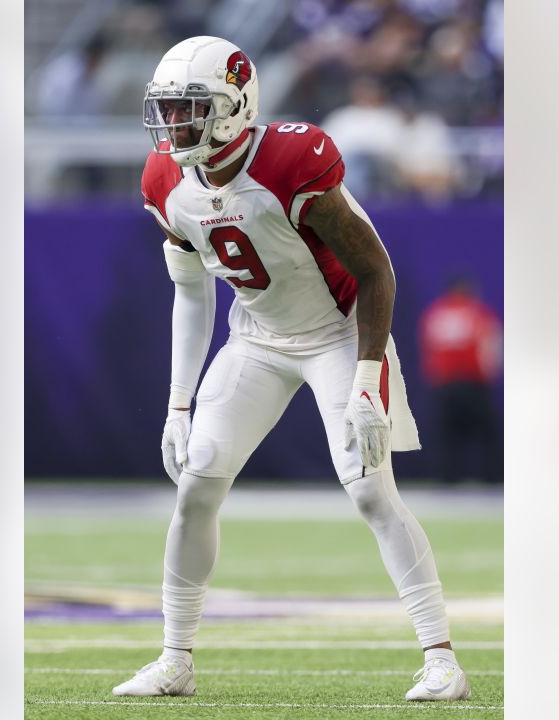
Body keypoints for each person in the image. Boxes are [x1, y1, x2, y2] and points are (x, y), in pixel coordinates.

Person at [109, 36, 470, 702]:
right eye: (167, 110)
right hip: (257, 337)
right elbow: (192, 293)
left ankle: (442, 659)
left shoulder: (289, 159)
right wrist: (177, 403)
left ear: (234, 106)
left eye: (191, 108)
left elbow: (374, 271)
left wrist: (366, 378)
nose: (174, 125)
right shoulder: (165, 180)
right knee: (197, 485)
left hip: (338, 331)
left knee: (368, 489)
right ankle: (175, 659)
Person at [419, 278, 504, 484]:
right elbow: (490, 350)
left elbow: (428, 349)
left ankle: (447, 478)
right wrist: (487, 376)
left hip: (445, 384)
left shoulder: (435, 314)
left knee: (447, 433)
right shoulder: (479, 313)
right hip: (473, 382)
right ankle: (492, 478)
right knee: (488, 432)